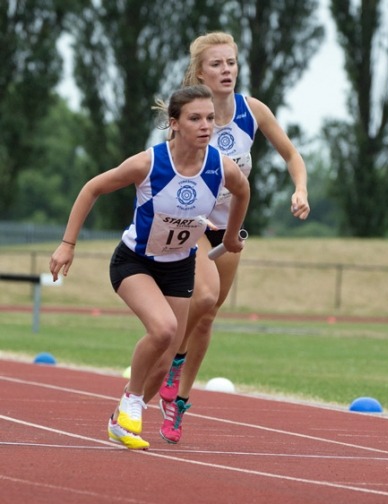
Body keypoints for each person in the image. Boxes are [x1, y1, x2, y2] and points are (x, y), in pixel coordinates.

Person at [49, 84, 250, 450]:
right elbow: (92, 188)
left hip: (179, 267)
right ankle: (130, 402)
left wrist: (232, 236)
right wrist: (67, 244)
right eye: (195, 118)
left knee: (168, 355)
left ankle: (123, 419)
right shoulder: (149, 163)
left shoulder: (221, 166)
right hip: (135, 262)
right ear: (174, 123)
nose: (205, 125)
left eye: (209, 118)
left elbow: (243, 190)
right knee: (164, 330)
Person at [157, 32, 310, 444]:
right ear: (200, 72)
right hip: (192, 225)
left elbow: (293, 156)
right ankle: (171, 362)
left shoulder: (252, 111)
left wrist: (300, 189)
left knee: (208, 315)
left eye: (231, 63)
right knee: (202, 298)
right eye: (217, 64)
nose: (227, 71)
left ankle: (178, 403)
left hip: (231, 228)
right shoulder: (190, 118)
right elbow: (167, 172)